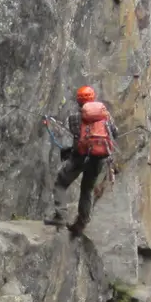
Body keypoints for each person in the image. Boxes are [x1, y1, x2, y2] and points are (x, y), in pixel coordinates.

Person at [52, 85, 113, 237]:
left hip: (79, 157)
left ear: (78, 101)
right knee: (87, 190)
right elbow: (115, 133)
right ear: (93, 97)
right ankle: (81, 222)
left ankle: (60, 216)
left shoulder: (74, 118)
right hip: (97, 159)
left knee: (61, 183)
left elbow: (72, 136)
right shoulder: (105, 116)